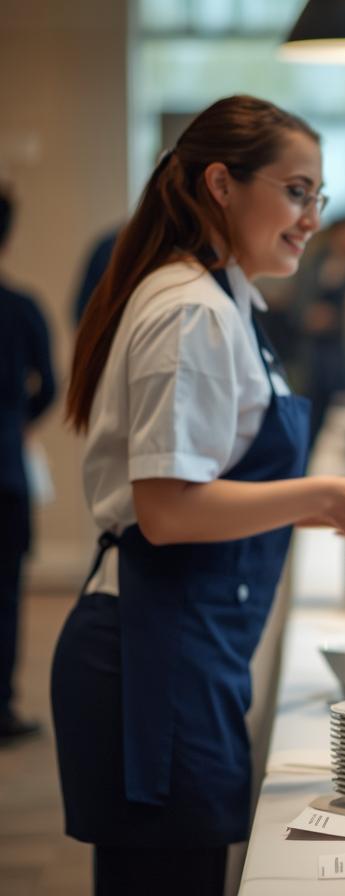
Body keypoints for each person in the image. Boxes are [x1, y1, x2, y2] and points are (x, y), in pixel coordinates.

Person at [52, 95, 345, 895]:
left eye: (318, 195)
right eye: (296, 191)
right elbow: (168, 510)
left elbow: (208, 487)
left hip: (184, 642)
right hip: (151, 651)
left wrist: (322, 503)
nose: (312, 218)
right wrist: (322, 495)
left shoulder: (224, 299)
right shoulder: (191, 311)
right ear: (221, 184)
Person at [0, 185, 56, 743]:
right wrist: (20, 419)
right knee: (5, 594)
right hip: (7, 469)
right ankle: (1, 707)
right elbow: (51, 385)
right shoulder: (21, 308)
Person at [291, 213, 345, 439]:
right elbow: (298, 302)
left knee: (343, 405)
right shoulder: (314, 262)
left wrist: (341, 317)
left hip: (344, 348)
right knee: (312, 406)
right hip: (314, 349)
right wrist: (309, 315)